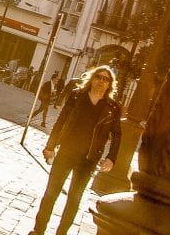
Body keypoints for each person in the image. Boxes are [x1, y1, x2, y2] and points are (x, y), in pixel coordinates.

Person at [28, 65, 122, 235]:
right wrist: (50, 146)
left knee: (74, 199)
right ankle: (38, 230)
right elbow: (61, 120)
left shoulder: (113, 107)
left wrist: (111, 157)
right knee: (51, 192)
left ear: (110, 84)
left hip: (89, 158)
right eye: (98, 77)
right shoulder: (77, 96)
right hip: (67, 151)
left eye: (105, 79)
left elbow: (117, 134)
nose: (101, 81)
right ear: (92, 79)